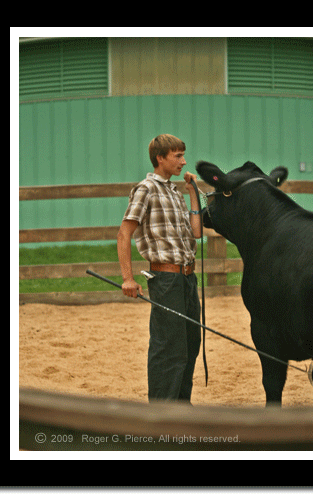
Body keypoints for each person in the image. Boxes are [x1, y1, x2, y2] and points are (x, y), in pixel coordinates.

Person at [116, 134, 202, 404]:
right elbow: (124, 232)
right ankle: (162, 415)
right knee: (169, 348)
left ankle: (181, 408)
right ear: (160, 158)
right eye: (177, 156)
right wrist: (128, 278)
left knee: (190, 344)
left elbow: (197, 232)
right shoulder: (146, 189)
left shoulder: (175, 193)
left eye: (183, 155)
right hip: (166, 279)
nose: (183, 161)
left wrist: (193, 194)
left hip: (188, 278)